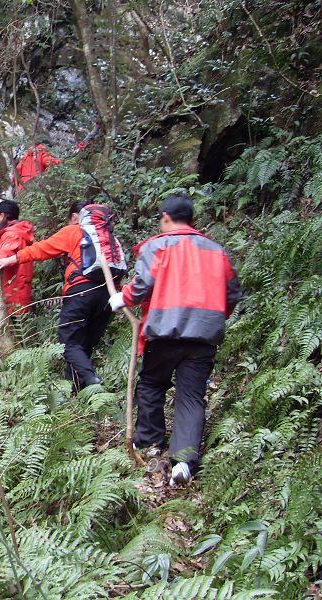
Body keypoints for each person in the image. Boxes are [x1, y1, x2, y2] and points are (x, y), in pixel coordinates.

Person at [108, 194, 241, 485]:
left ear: (166, 217)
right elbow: (232, 294)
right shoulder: (217, 251)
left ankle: (150, 441)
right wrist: (212, 318)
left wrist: (122, 298)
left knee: (152, 384)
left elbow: (142, 286)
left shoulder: (158, 246)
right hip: (203, 338)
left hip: (165, 334)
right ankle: (184, 462)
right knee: (191, 397)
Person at [0, 200, 113, 389]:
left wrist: (11, 259)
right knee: (83, 345)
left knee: (69, 342)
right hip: (108, 294)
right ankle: (77, 390)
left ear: (75, 217)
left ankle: (91, 380)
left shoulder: (73, 231)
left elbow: (43, 249)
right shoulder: (107, 237)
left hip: (81, 291)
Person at [0, 200, 34, 316]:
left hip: (10, 295)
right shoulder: (20, 232)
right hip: (18, 292)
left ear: (2, 215)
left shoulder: (11, 234)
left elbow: (3, 256)